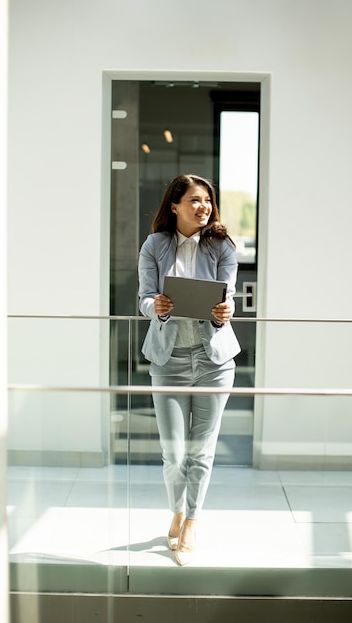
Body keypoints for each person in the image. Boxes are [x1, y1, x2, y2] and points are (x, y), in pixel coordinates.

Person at [138, 174, 240, 565]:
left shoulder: (222, 245)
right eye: (195, 200)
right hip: (170, 359)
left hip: (213, 360)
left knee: (202, 450)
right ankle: (177, 510)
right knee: (173, 451)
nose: (204, 208)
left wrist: (224, 312)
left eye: (208, 201)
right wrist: (156, 308)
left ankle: (192, 520)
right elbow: (145, 297)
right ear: (175, 205)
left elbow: (226, 296)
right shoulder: (155, 244)